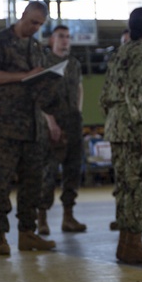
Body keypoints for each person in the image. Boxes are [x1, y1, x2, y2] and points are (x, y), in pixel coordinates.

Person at [0, 1, 58, 256]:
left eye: (39, 24)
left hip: (32, 127)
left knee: (32, 184)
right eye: (32, 22)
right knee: (0, 183)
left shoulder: (37, 47)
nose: (35, 28)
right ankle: (0, 236)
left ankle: (27, 233)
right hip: (2, 126)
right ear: (22, 15)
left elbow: (39, 83)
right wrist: (24, 76)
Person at [100, 8, 142, 264]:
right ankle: (134, 244)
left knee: (126, 188)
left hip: (118, 128)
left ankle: (125, 245)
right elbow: (139, 95)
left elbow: (105, 95)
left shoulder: (120, 52)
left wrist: (117, 122)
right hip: (136, 132)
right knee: (140, 187)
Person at [36, 25, 87, 236]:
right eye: (60, 36)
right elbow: (38, 95)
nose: (65, 40)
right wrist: (51, 122)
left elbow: (79, 88)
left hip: (72, 122)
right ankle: (42, 218)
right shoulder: (44, 63)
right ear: (52, 41)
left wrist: (78, 111)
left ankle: (68, 216)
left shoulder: (74, 64)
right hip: (51, 125)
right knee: (48, 172)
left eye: (67, 37)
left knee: (72, 171)